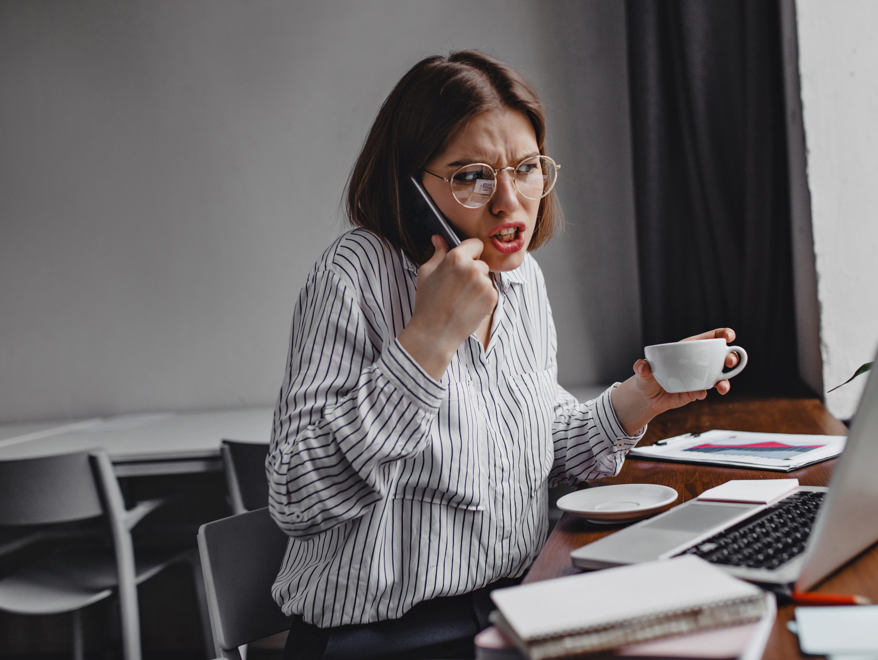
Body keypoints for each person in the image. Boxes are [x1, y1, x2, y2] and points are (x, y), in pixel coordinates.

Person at [266, 50, 739, 660]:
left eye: (526, 168)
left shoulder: (522, 282)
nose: (509, 202)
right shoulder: (352, 276)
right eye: (471, 175)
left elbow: (542, 451)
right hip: (386, 638)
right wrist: (427, 341)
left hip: (518, 609)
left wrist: (636, 402)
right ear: (411, 187)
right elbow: (295, 498)